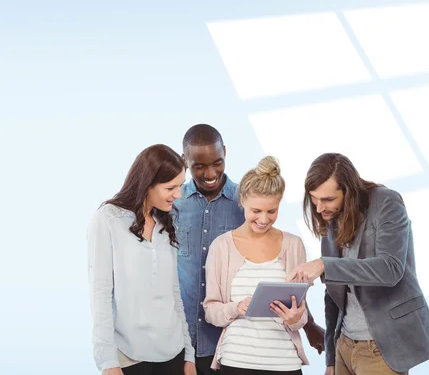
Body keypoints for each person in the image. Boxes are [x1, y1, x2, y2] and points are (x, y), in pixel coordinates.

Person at [173, 124, 325, 375]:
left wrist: (307, 324)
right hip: (188, 338)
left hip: (237, 346)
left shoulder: (244, 201)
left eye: (217, 162)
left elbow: (293, 296)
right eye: (199, 165)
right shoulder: (173, 202)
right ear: (185, 161)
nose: (210, 172)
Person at [286, 153, 429, 375]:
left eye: (328, 199)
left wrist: (324, 265)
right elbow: (333, 294)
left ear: (349, 191)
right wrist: (331, 357)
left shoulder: (387, 202)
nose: (319, 208)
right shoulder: (331, 218)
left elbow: (390, 268)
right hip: (344, 345)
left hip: (380, 349)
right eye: (314, 199)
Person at [87, 144, 196, 375]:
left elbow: (173, 292)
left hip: (173, 353)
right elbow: (101, 294)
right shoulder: (108, 220)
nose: (178, 195)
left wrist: (189, 353)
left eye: (180, 186)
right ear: (147, 184)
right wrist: (107, 362)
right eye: (171, 187)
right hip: (130, 357)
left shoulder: (167, 222)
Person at [203, 156, 310, 374]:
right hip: (236, 362)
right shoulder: (221, 246)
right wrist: (236, 307)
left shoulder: (294, 245)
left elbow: (302, 313)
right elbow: (210, 311)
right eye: (256, 211)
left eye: (272, 211)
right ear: (242, 200)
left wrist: (296, 318)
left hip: (285, 363)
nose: (264, 219)